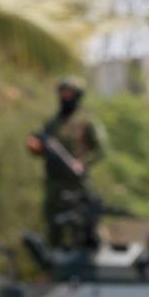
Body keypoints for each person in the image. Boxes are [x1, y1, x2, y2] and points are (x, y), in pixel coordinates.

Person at [26, 76, 107, 248]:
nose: (65, 96)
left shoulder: (86, 122)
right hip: (54, 182)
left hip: (76, 183)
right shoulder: (53, 123)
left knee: (82, 225)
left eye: (69, 93)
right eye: (63, 93)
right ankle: (56, 267)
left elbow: (101, 149)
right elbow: (39, 144)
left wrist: (82, 163)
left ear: (77, 96)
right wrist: (35, 147)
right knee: (54, 225)